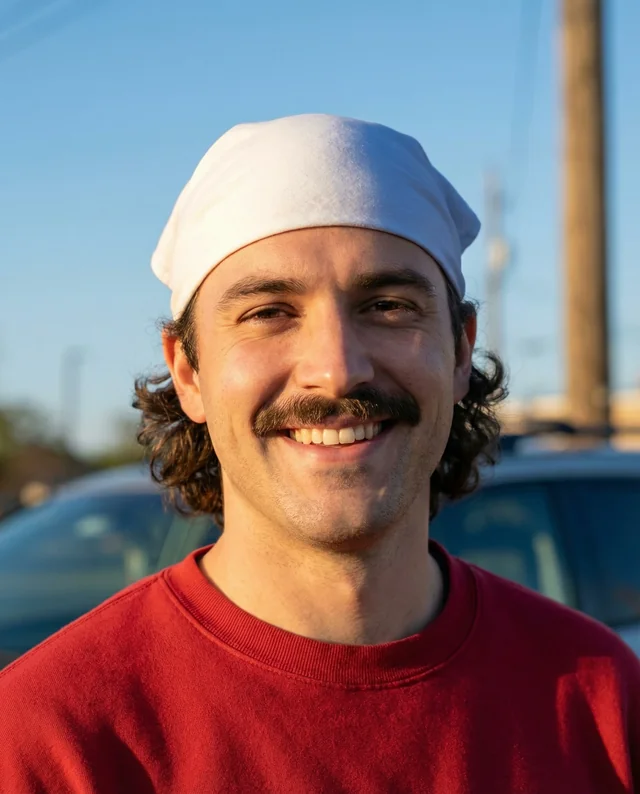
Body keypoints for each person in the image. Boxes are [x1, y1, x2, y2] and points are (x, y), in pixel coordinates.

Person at [1, 114, 639, 794]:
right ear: (187, 370)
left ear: (459, 350)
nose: (337, 370)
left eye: (388, 305)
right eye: (269, 311)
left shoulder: (603, 698)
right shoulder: (49, 739)